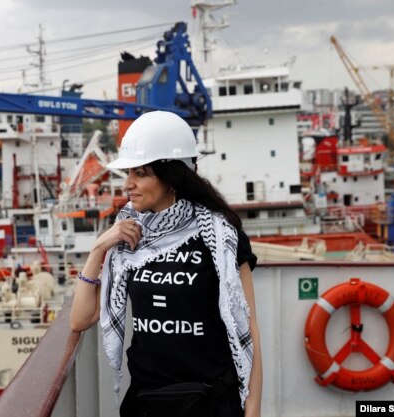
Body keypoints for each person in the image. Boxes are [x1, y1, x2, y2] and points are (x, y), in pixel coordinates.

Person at [70, 111, 262, 417]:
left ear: (172, 178)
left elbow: (247, 326)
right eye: (129, 173)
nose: (128, 184)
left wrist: (252, 409)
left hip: (211, 404)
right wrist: (98, 249)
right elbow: (80, 320)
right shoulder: (129, 235)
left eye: (140, 174)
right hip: (147, 403)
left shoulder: (222, 236)